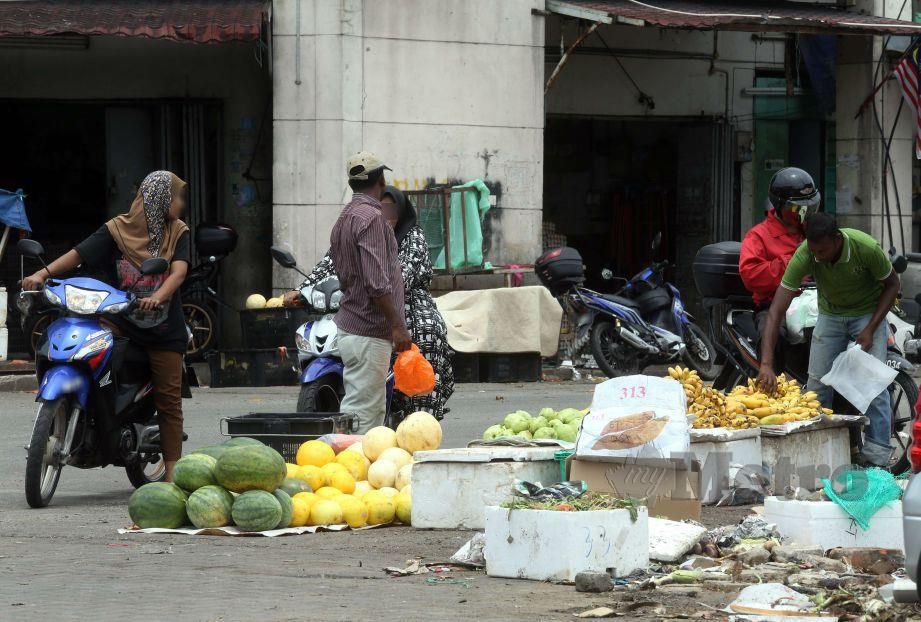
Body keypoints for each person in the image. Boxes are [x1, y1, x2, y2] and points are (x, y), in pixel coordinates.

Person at [22, 171, 190, 480]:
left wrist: (158, 295)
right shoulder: (116, 230)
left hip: (163, 331)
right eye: (177, 196)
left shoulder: (177, 232)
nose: (181, 203)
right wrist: (42, 274)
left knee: (168, 401)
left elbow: (178, 273)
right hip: (120, 321)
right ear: (158, 199)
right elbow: (77, 255)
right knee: (90, 356)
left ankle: (171, 473)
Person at [286, 186, 455, 418]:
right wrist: (301, 290)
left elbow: (400, 275)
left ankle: (419, 411)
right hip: (367, 299)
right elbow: (331, 260)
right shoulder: (360, 227)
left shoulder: (413, 236)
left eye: (391, 209)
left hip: (407, 302)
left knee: (425, 333)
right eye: (382, 208)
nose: (387, 215)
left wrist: (374, 284)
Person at [757, 213, 900, 466]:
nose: (818, 257)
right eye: (814, 251)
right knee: (817, 386)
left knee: (873, 386)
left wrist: (871, 328)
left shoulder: (864, 247)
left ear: (837, 240)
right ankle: (818, 454)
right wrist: (766, 364)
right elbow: (777, 309)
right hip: (831, 315)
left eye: (822, 250)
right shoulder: (806, 254)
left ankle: (878, 460)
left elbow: (892, 285)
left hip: (868, 314)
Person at [317, 152, 411, 432]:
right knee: (365, 415)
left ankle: (346, 465)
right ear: (381, 179)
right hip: (369, 329)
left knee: (360, 406)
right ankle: (349, 470)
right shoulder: (371, 218)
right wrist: (398, 326)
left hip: (353, 325)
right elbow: (376, 283)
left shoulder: (346, 216)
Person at [739, 167, 818, 330]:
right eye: (798, 208)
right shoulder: (758, 235)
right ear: (780, 205)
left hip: (815, 302)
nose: (804, 213)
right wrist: (792, 263)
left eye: (809, 207)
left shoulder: (813, 230)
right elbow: (750, 274)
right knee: (775, 336)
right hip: (775, 305)